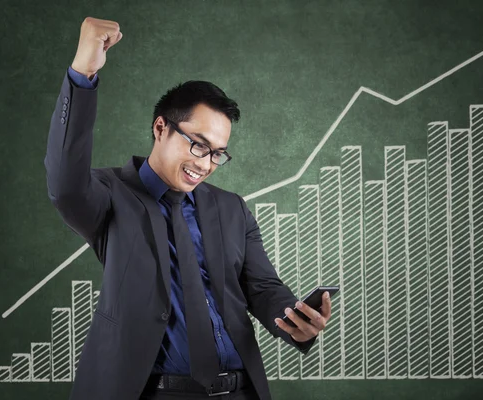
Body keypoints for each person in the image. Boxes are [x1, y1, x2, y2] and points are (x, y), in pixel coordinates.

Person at [44, 17, 332, 400]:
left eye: (217, 153)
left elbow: (263, 289)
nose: (206, 162)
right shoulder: (110, 195)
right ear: (160, 128)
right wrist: (83, 74)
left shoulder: (232, 209)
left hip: (239, 391)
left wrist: (293, 319)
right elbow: (64, 185)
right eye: (198, 145)